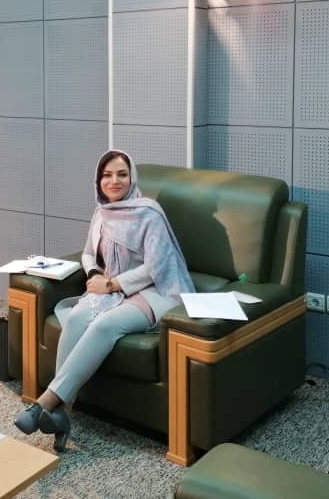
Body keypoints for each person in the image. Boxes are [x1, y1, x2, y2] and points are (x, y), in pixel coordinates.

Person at [14, 149, 194, 451]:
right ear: (98, 181)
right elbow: (88, 253)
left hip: (158, 290)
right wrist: (96, 273)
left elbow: (155, 268)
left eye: (122, 174)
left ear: (132, 178)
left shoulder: (149, 213)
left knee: (105, 324)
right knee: (76, 317)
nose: (114, 181)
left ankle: (44, 403)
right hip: (112, 287)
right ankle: (64, 413)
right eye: (107, 175)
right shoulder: (101, 212)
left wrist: (110, 284)